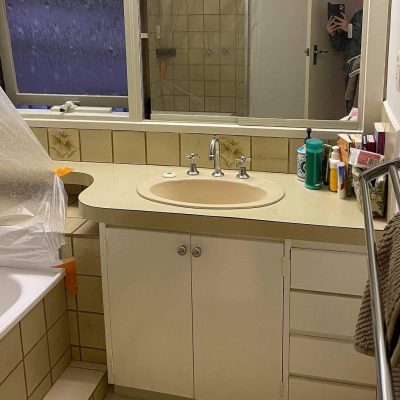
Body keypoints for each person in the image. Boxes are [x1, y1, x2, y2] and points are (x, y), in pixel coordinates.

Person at [327, 9, 363, 112]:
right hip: (350, 70)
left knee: (359, 111)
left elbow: (374, 42)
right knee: (350, 107)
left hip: (366, 74)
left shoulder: (379, 17)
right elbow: (343, 46)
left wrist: (351, 29)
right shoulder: (358, 15)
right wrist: (333, 34)